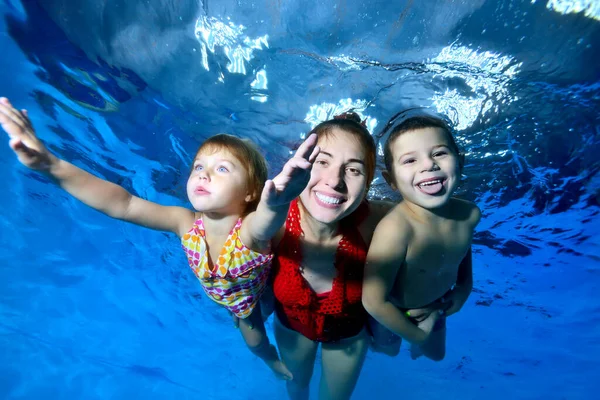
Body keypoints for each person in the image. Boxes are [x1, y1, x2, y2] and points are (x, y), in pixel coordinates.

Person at [0, 96, 321, 380]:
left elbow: (265, 222)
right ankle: (270, 343)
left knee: (256, 337)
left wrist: (275, 202)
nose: (203, 174)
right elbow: (123, 204)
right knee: (250, 325)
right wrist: (52, 166)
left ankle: (273, 360)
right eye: (199, 166)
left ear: (250, 191)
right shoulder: (184, 222)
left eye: (222, 169)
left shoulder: (249, 232)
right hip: (227, 294)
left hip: (246, 299)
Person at [267, 112, 393, 400]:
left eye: (353, 170)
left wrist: (452, 295)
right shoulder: (271, 218)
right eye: (322, 162)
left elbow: (441, 226)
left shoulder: (381, 222)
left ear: (368, 181)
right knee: (296, 388)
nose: (334, 180)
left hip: (348, 338)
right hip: (292, 330)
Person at [362, 115, 481, 361]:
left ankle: (418, 341)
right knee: (389, 350)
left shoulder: (469, 213)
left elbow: (462, 251)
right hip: (394, 311)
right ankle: (373, 341)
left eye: (439, 153)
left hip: (435, 306)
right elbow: (373, 301)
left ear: (460, 161)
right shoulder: (396, 230)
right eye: (410, 160)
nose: (428, 165)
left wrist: (463, 288)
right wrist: (416, 335)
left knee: (436, 355)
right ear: (391, 180)